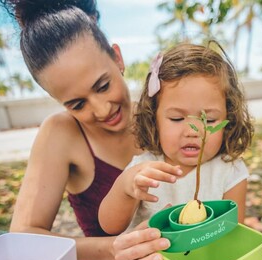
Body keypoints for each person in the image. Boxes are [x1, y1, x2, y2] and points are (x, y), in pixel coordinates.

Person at [0, 0, 170, 260]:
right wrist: (116, 251)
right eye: (77, 104)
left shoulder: (163, 113)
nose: (102, 110)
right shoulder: (61, 133)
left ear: (117, 58)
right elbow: (23, 237)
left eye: (103, 86)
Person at [99, 42, 254, 235]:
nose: (193, 131)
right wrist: (125, 188)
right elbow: (109, 226)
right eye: (177, 118)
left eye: (210, 120)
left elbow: (234, 233)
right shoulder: (144, 169)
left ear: (228, 119)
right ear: (154, 119)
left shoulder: (230, 171)